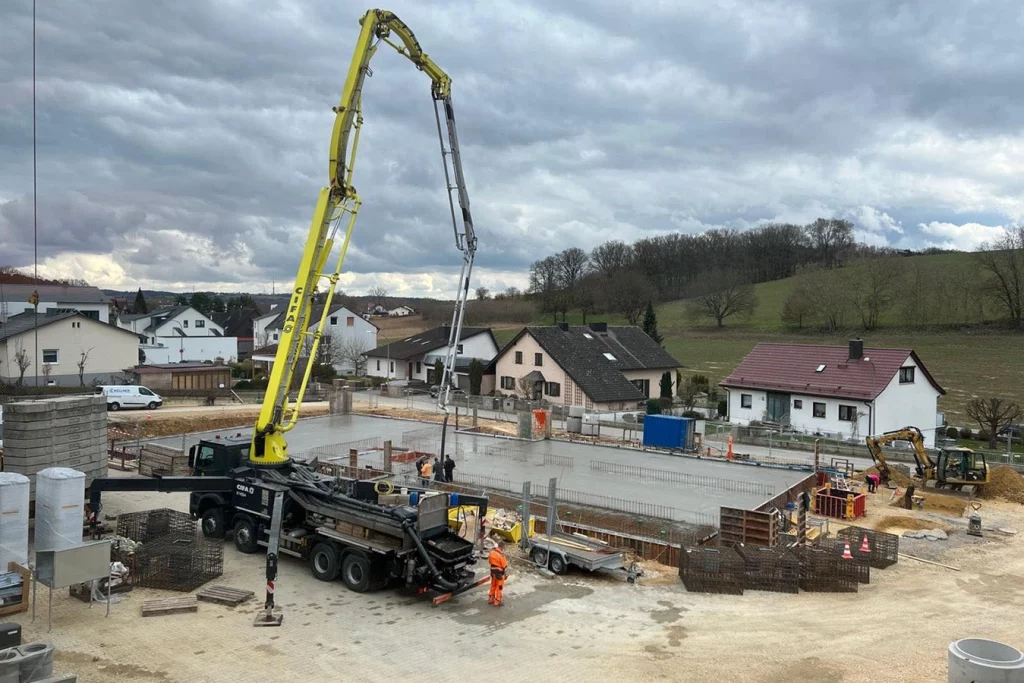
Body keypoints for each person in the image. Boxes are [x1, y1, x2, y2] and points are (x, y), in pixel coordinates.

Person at [488, 540, 508, 607]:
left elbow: (490, 561)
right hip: (499, 574)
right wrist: (506, 574)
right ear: (502, 547)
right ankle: (497, 601)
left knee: (493, 585)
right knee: (499, 587)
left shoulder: (492, 552)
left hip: (492, 573)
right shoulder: (502, 555)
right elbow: (504, 566)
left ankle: (491, 598)